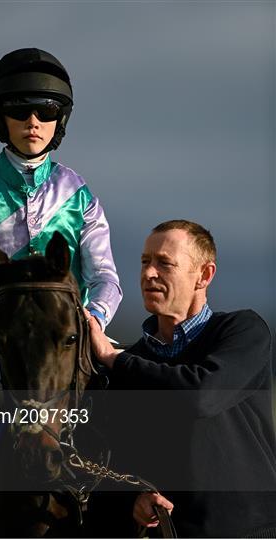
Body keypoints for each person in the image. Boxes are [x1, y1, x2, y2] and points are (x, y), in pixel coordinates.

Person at [0, 48, 122, 532]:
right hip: (0, 334)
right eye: (19, 111)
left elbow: (106, 277)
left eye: (46, 111)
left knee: (133, 398)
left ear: (61, 119)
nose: (33, 121)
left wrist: (90, 319)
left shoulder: (81, 195)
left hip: (71, 335)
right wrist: (10, 314)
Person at [87, 220, 276, 538]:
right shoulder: (125, 368)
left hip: (250, 531)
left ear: (204, 275)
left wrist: (115, 359)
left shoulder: (243, 331)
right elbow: (110, 463)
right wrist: (131, 501)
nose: (149, 274)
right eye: (145, 261)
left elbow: (202, 395)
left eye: (165, 263)